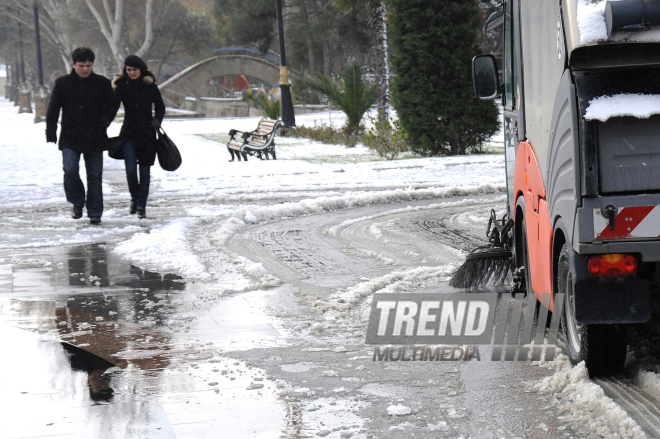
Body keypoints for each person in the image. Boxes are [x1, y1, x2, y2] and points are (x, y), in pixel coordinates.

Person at [46, 47, 116, 225]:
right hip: (71, 135)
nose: (85, 69)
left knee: (95, 176)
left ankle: (95, 212)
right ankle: (77, 201)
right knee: (70, 170)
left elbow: (112, 106)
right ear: (73, 64)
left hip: (95, 135)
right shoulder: (63, 83)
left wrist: (104, 122)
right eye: (81, 65)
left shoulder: (102, 83)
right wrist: (51, 131)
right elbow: (53, 108)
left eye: (88, 65)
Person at [112, 55, 165, 219]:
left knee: (145, 171)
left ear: (140, 70)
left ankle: (141, 205)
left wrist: (156, 121)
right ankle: (135, 198)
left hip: (147, 134)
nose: (132, 73)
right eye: (128, 70)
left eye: (134, 69)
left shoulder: (149, 86)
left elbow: (160, 107)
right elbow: (113, 107)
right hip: (128, 133)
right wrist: (102, 122)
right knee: (130, 171)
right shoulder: (121, 87)